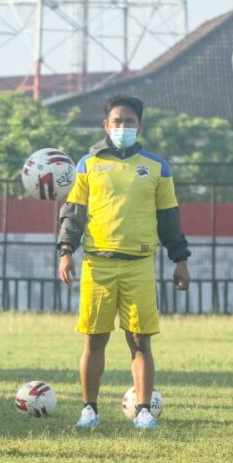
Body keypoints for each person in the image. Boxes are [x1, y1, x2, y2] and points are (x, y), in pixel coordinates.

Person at [56, 94, 190, 431]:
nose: (123, 127)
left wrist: (180, 259)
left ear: (139, 125)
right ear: (106, 125)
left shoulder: (157, 167)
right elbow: (74, 213)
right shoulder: (88, 164)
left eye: (129, 121)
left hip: (139, 264)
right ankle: (89, 410)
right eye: (117, 121)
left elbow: (169, 218)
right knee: (94, 340)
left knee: (140, 340)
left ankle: (144, 411)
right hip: (97, 264)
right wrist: (65, 251)